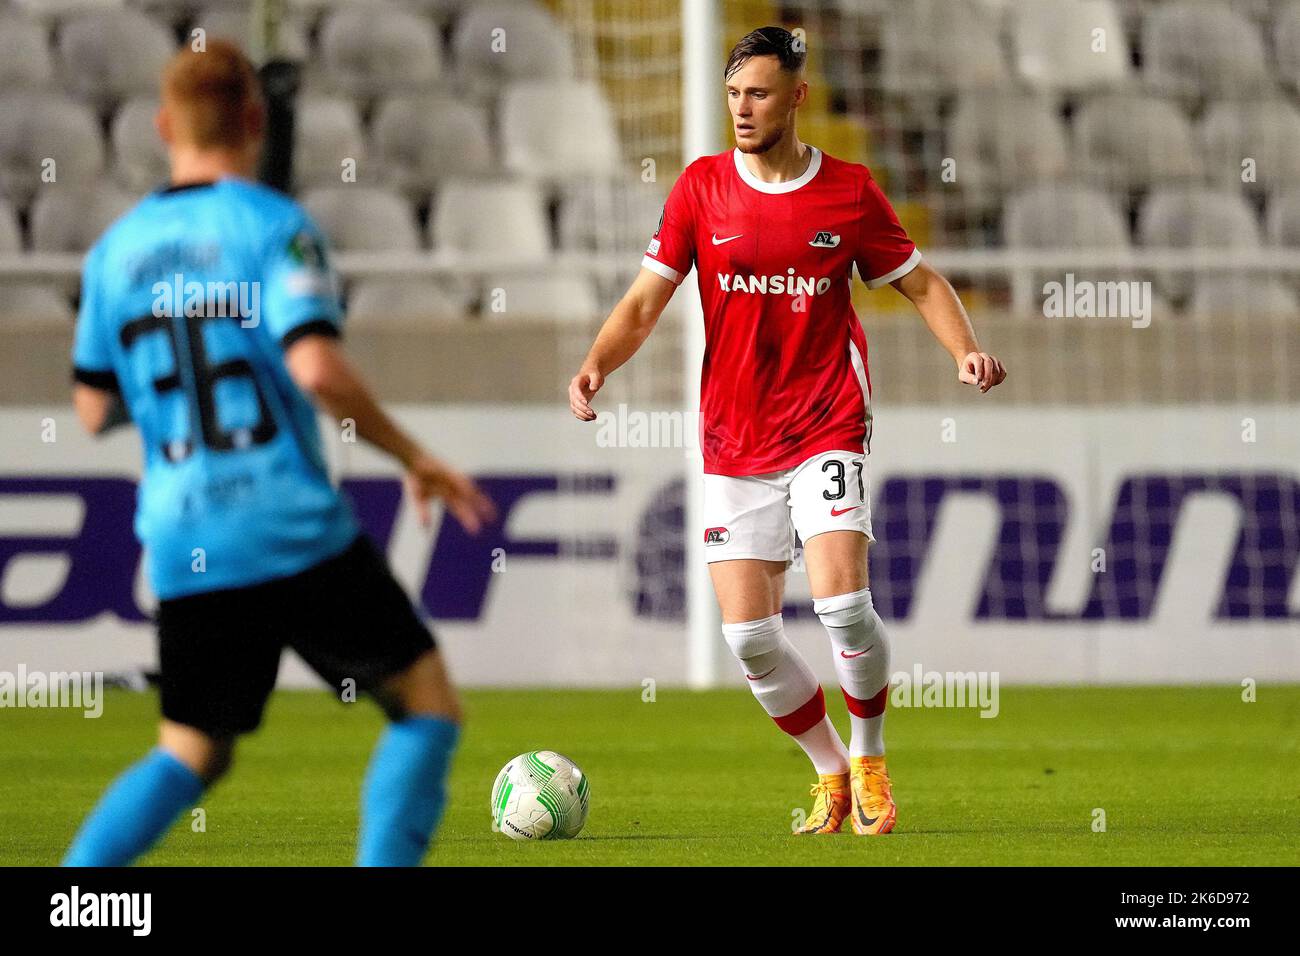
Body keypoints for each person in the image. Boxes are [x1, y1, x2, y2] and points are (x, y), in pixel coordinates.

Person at [63, 41, 495, 866]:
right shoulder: (273, 228)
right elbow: (315, 367)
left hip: (188, 537)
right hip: (287, 521)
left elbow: (89, 409)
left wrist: (165, 390)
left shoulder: (113, 254)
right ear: (256, 120)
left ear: (162, 127)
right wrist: (414, 456)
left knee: (191, 751)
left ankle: (74, 895)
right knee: (425, 702)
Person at [568, 26, 1006, 835]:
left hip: (827, 417)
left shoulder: (847, 191)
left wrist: (967, 350)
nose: (742, 108)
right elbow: (642, 302)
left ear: (798, 97)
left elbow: (919, 282)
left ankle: (870, 757)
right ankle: (830, 771)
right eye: (733, 93)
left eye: (759, 93)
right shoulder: (701, 189)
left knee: (842, 607)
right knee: (750, 637)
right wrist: (597, 363)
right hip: (735, 435)